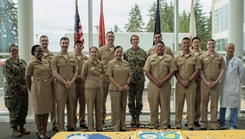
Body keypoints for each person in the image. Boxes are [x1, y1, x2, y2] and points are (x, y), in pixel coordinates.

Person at [144, 41, 176, 129]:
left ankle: (164, 124)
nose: (159, 48)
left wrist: (163, 81)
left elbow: (172, 71)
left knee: (165, 105)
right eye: (158, 47)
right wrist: (155, 81)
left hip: (165, 85)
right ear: (155, 48)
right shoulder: (150, 58)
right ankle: (153, 123)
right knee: (153, 105)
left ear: (164, 48)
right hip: (153, 85)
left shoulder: (169, 58)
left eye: (161, 46)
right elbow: (146, 71)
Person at [2, 44, 30, 137]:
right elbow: (10, 78)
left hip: (23, 91)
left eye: (16, 50)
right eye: (12, 51)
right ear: (9, 52)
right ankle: (14, 129)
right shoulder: (7, 64)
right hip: (13, 92)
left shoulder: (22, 62)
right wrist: (20, 86)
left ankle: (22, 127)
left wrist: (26, 84)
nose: (14, 52)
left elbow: (27, 74)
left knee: (23, 109)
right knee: (15, 111)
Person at [51, 37, 78, 132]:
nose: (64, 45)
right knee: (60, 107)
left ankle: (71, 125)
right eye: (63, 43)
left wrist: (71, 82)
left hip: (71, 86)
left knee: (71, 106)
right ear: (60, 44)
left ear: (69, 44)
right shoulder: (55, 58)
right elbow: (54, 73)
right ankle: (61, 127)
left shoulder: (72, 58)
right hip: (60, 86)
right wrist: (65, 82)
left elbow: (76, 71)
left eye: (66, 43)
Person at [25, 44, 52, 139]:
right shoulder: (31, 63)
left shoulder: (46, 62)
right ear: (33, 52)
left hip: (46, 88)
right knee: (38, 111)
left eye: (41, 51)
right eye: (38, 51)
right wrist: (31, 89)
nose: (40, 53)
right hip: (37, 88)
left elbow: (50, 74)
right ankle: (39, 132)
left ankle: (44, 131)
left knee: (46, 111)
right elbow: (27, 78)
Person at [174, 37, 201, 130]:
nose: (186, 45)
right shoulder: (177, 57)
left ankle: (190, 124)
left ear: (190, 45)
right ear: (182, 44)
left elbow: (197, 70)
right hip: (180, 84)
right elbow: (175, 71)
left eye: (187, 43)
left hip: (191, 84)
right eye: (184, 43)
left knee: (191, 105)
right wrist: (181, 81)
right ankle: (178, 124)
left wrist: (188, 80)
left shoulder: (195, 57)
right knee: (179, 105)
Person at [200, 39, 226, 130]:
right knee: (204, 103)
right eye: (209, 44)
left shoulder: (219, 57)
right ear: (207, 46)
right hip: (205, 83)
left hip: (215, 84)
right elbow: (200, 71)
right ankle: (203, 124)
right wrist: (206, 81)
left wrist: (217, 81)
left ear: (215, 45)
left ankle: (213, 124)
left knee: (214, 104)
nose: (211, 45)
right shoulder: (202, 57)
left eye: (213, 44)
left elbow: (222, 69)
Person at [217, 43, 244, 129]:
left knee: (234, 107)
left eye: (232, 48)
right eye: (229, 48)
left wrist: (236, 84)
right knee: (222, 105)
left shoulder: (238, 61)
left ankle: (233, 124)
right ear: (226, 49)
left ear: (234, 50)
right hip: (223, 86)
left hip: (233, 86)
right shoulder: (222, 59)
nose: (230, 50)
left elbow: (241, 75)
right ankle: (221, 123)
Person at [106, 46, 131, 131]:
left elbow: (130, 75)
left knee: (123, 108)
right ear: (114, 53)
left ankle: (123, 125)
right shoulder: (111, 63)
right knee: (116, 109)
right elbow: (109, 76)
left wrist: (127, 84)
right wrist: (118, 86)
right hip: (115, 89)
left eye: (120, 52)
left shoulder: (126, 63)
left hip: (124, 89)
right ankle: (116, 126)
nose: (119, 54)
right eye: (117, 52)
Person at [124, 35, 146, 126]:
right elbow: (125, 66)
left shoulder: (143, 52)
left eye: (136, 39)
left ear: (138, 41)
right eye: (133, 39)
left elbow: (145, 64)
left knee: (139, 100)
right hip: (130, 80)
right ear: (131, 41)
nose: (135, 41)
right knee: (131, 100)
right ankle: (132, 117)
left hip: (140, 79)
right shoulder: (127, 53)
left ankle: (138, 118)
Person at [81, 47, 103, 131]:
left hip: (99, 87)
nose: (93, 53)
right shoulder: (86, 63)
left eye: (95, 52)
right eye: (92, 52)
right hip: (89, 88)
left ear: (97, 53)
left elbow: (102, 73)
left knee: (99, 108)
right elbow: (83, 75)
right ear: (90, 54)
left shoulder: (100, 64)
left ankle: (99, 127)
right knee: (90, 108)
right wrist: (88, 83)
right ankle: (90, 128)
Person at [39, 35, 57, 131]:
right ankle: (41, 124)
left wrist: (51, 79)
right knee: (42, 104)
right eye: (42, 41)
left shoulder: (52, 56)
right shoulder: (36, 56)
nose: (44, 42)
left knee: (53, 104)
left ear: (48, 42)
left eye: (46, 41)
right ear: (40, 43)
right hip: (41, 84)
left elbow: (55, 70)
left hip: (51, 82)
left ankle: (54, 124)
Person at [185, 36, 203, 127]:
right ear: (191, 44)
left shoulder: (203, 55)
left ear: (200, 44)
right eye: (194, 42)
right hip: (190, 80)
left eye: (198, 42)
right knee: (190, 100)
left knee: (197, 100)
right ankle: (189, 118)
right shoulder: (188, 54)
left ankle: (196, 119)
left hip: (199, 80)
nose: (196, 44)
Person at [98, 31, 116, 124]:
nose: (110, 38)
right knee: (102, 99)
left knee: (115, 99)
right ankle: (101, 118)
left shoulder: (117, 50)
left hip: (114, 78)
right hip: (104, 77)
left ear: (114, 38)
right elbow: (96, 62)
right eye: (109, 36)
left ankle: (115, 119)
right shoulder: (101, 50)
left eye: (112, 37)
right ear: (106, 38)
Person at [72, 40, 88, 129]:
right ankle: (73, 121)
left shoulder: (86, 59)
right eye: (77, 45)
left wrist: (82, 77)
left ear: (83, 47)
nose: (78, 47)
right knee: (73, 104)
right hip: (73, 83)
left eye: (80, 45)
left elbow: (88, 71)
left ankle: (82, 121)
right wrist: (75, 77)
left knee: (82, 103)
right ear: (74, 47)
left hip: (82, 83)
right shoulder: (70, 58)